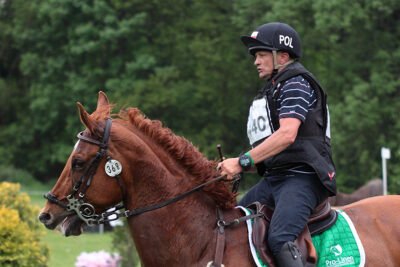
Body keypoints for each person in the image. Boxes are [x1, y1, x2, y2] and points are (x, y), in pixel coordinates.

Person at [217, 22, 337, 267]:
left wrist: (241, 162)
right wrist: (230, 167)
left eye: (261, 55)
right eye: (256, 56)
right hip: (275, 179)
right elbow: (272, 153)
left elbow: (287, 135)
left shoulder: (295, 84)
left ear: (282, 56)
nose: (256, 61)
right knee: (232, 224)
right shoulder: (272, 91)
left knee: (280, 238)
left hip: (304, 178)